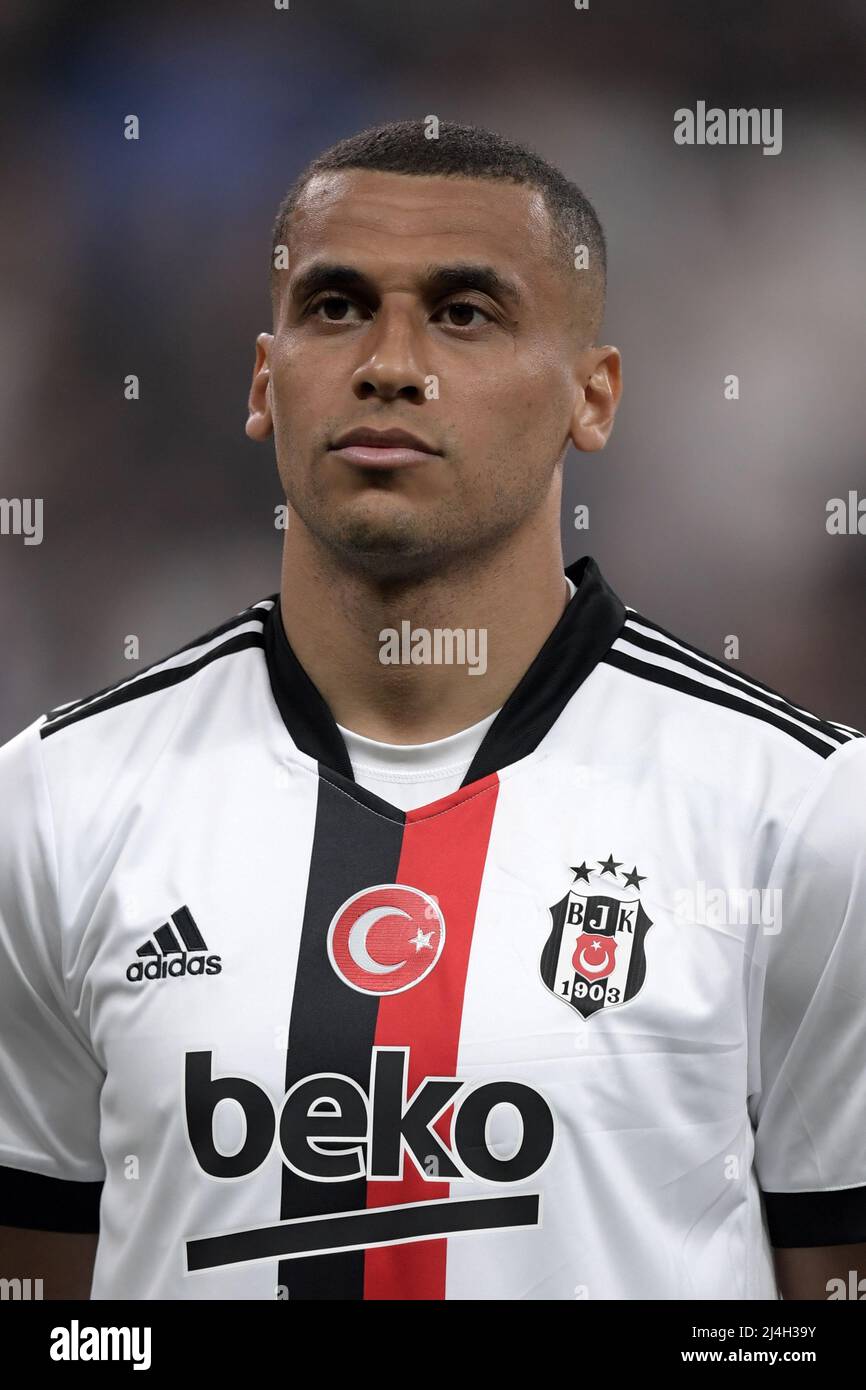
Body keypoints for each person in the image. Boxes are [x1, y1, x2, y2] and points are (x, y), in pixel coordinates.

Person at [1, 120, 864, 1301]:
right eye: (336, 307)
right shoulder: (53, 802)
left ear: (591, 396)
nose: (389, 362)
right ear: (265, 382)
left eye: (464, 313)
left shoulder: (804, 813)